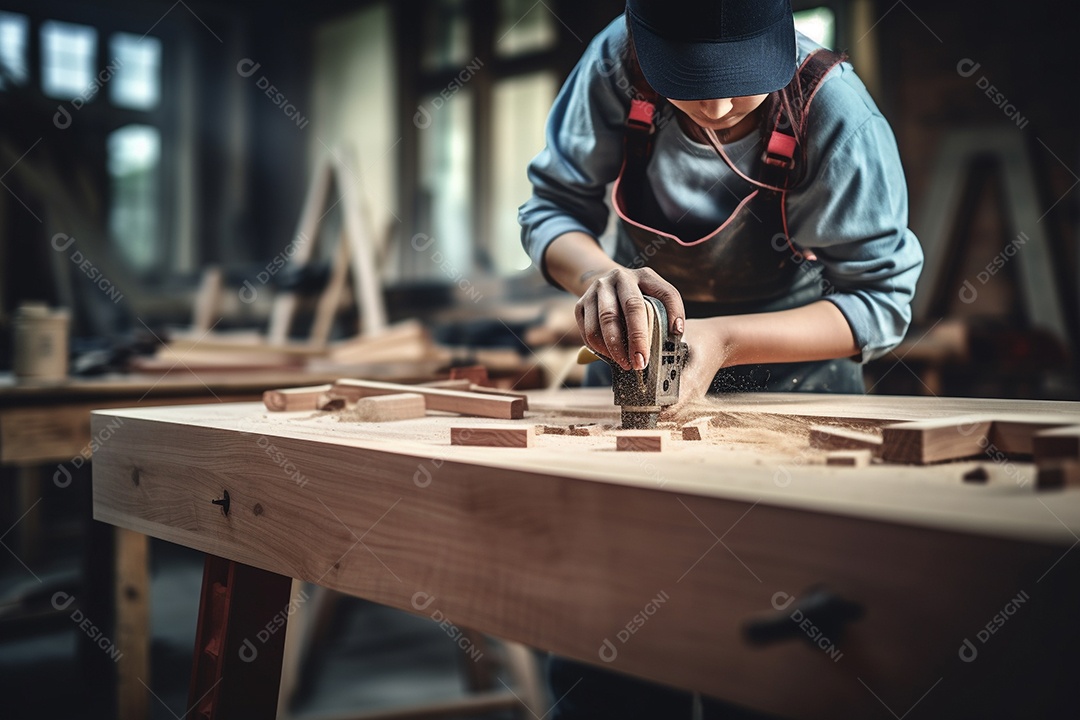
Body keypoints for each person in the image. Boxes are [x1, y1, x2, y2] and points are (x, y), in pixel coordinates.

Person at [518, 0, 923, 717]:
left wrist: (726, 340)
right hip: (635, 360)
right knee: (611, 639)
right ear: (644, 45)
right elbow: (551, 207)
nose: (719, 103)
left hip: (798, 377)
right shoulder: (616, 65)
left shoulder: (835, 110)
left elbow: (881, 303)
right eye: (691, 77)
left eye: (742, 78)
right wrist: (595, 277)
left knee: (777, 652)